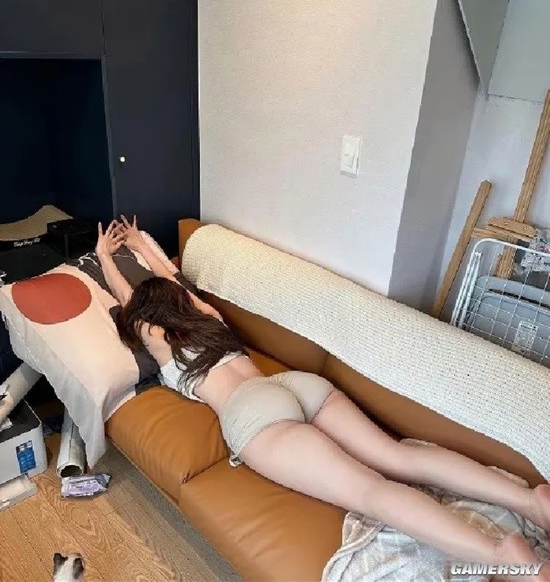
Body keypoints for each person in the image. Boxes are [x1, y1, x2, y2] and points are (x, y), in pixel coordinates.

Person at [96, 216, 550, 578]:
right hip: (295, 384)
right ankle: (531, 501)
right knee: (398, 457)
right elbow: (172, 280)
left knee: (370, 491)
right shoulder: (207, 316)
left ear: (147, 318)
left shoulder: (157, 335)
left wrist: (105, 258)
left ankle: (502, 555)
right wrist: (141, 245)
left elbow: (130, 299)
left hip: (252, 416)